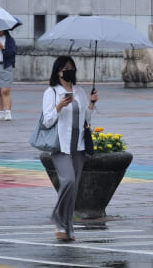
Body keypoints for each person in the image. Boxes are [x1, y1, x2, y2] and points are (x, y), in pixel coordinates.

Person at [42, 56, 98, 241]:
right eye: (65, 68)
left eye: (71, 67)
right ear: (58, 72)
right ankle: (59, 221)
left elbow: (86, 118)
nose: (68, 71)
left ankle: (67, 227)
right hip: (61, 144)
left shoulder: (79, 91)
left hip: (78, 144)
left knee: (74, 189)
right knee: (69, 182)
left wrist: (91, 103)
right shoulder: (51, 92)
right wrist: (59, 106)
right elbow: (47, 121)